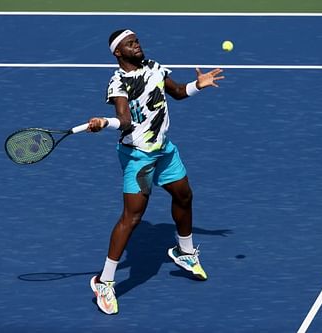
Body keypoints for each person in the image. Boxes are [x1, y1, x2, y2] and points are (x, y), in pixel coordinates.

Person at [86, 29, 224, 315]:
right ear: (118, 53)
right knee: (133, 216)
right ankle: (105, 282)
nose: (137, 45)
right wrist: (105, 123)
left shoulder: (154, 67)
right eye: (130, 44)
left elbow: (177, 92)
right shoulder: (118, 83)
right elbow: (124, 120)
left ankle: (184, 253)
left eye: (137, 41)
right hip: (138, 157)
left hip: (164, 150)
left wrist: (198, 85)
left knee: (184, 195)